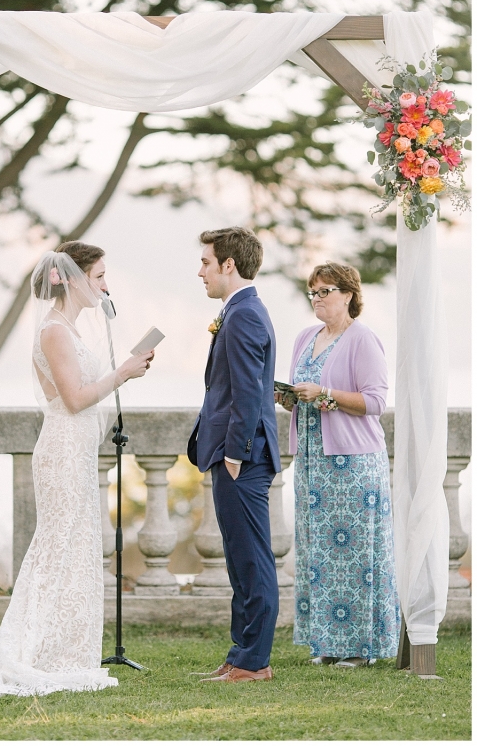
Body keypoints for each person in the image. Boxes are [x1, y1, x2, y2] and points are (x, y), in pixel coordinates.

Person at [0, 241, 154, 696]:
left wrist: (124, 369)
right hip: (62, 450)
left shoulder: (70, 328)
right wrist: (121, 373)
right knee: (59, 546)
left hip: (77, 450)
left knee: (76, 547)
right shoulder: (55, 331)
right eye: (100, 276)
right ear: (71, 278)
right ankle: (36, 650)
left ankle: (63, 648)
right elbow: (75, 398)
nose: (106, 286)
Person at [277, 261, 400, 668]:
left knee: (356, 554)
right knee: (319, 553)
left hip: (354, 462)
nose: (317, 299)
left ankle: (360, 647)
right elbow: (305, 392)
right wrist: (291, 397)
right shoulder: (304, 337)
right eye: (312, 292)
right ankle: (326, 642)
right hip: (312, 460)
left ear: (348, 294)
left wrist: (325, 393)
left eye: (325, 291)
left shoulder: (363, 340)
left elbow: (376, 402)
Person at [188, 227, 281, 683]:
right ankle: (241, 653)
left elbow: (246, 391)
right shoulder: (239, 310)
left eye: (207, 262)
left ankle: (254, 661)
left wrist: (236, 453)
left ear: (229, 265)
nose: (201, 270)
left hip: (242, 457)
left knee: (252, 559)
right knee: (238, 559)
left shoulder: (243, 315)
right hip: (235, 454)